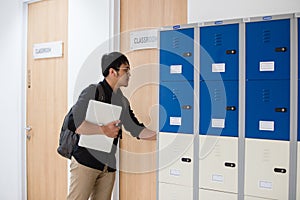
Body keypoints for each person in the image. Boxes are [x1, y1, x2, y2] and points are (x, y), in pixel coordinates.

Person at [67, 52, 156, 200]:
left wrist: (164, 136)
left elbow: (135, 129)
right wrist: (103, 130)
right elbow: (74, 123)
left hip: (108, 166)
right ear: (112, 71)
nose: (129, 74)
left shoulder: (122, 100)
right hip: (85, 162)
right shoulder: (92, 91)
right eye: (125, 69)